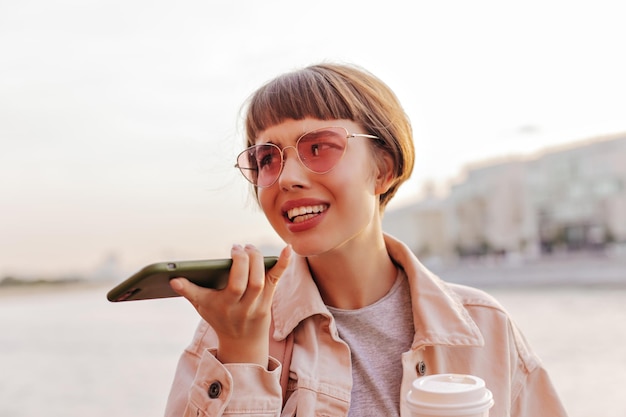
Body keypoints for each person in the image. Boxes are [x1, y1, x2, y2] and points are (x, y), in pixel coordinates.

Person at [164, 63, 567, 417]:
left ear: (383, 169)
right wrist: (242, 360)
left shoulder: (484, 328)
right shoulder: (228, 331)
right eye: (267, 158)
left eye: (318, 147)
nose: (286, 177)